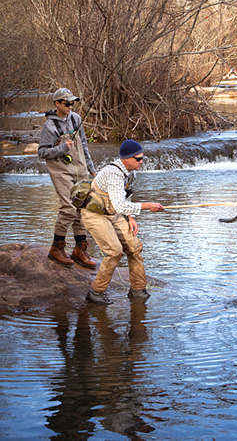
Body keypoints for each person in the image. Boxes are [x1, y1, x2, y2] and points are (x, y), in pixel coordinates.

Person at [81, 139, 164, 305]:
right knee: (114, 251)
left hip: (113, 213)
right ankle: (96, 292)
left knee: (135, 247)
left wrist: (131, 217)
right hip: (94, 215)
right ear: (126, 158)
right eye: (138, 159)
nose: (141, 162)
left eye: (142, 158)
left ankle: (138, 290)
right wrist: (147, 206)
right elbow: (120, 204)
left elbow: (126, 195)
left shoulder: (131, 172)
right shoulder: (114, 173)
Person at [38, 87, 97, 269]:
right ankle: (57, 248)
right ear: (57, 104)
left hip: (80, 170)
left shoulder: (76, 119)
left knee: (81, 209)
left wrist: (92, 169)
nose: (71, 106)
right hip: (61, 172)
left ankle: (80, 249)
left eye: (72, 103)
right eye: (67, 103)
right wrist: (62, 148)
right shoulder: (49, 126)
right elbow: (42, 152)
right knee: (68, 208)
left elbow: (84, 146)